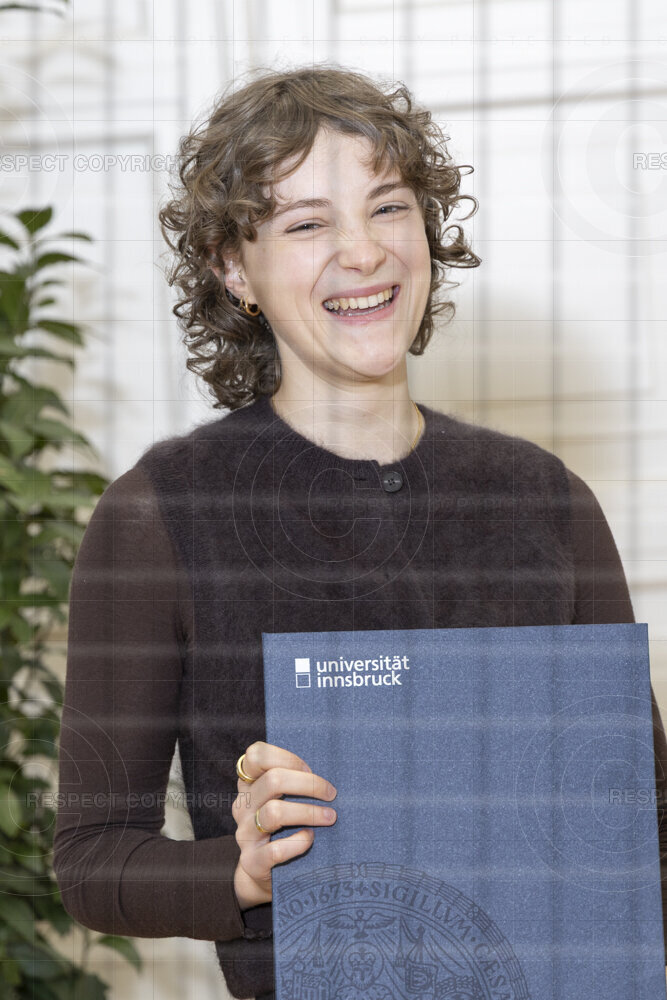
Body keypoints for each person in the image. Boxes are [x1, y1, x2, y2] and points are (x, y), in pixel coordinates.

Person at [53, 64, 667, 1000]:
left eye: (387, 208)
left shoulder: (546, 500)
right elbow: (93, 861)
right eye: (306, 224)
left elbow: (646, 819)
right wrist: (241, 869)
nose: (364, 251)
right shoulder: (158, 516)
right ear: (232, 268)